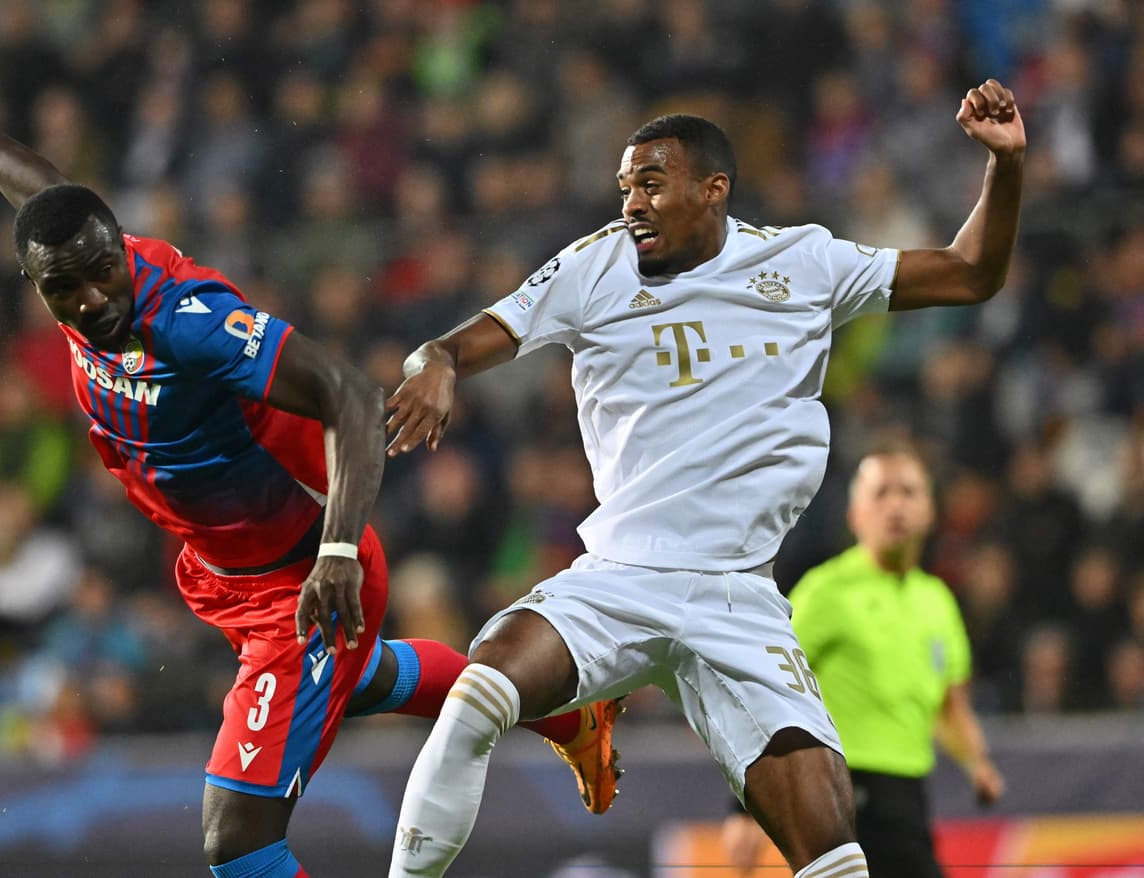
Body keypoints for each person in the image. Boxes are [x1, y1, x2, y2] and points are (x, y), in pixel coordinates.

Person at [0, 19, 619, 878]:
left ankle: (547, 707)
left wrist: (339, 552)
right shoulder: (81, 253)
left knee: (236, 842)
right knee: (366, 680)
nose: (93, 300)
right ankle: (564, 714)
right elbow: (43, 194)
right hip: (231, 572)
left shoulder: (185, 324)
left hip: (303, 576)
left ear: (119, 248)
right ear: (38, 282)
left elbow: (349, 393)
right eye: (66, 287)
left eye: (102, 272)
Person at [384, 73, 1025, 877]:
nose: (631, 204)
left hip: (738, 598)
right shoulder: (594, 267)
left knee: (837, 859)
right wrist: (436, 363)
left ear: (714, 188)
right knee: (480, 694)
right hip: (620, 577)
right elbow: (455, 343)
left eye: (651, 183)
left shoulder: (805, 263)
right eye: (625, 187)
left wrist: (1006, 166)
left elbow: (971, 272)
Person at [722, 445, 1005, 878]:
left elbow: (949, 704)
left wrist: (977, 763)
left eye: (908, 492)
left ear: (930, 510)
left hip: (909, 797)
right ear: (856, 515)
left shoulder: (937, 601)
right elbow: (763, 690)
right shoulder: (826, 592)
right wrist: (742, 808)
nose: (895, 504)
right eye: (881, 493)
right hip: (842, 793)